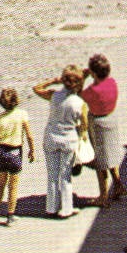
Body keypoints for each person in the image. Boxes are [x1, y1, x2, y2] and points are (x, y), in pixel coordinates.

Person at [33, 66, 89, 218]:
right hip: (68, 139)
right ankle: (66, 209)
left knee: (52, 175)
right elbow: (84, 126)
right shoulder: (80, 103)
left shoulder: (53, 95)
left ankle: (51, 207)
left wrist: (53, 80)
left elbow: (36, 88)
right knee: (65, 176)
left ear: (63, 80)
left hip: (51, 137)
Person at [82, 54, 125, 207]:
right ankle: (118, 184)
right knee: (111, 155)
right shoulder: (112, 83)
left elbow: (80, 95)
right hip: (111, 119)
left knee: (100, 161)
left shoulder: (93, 90)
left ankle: (103, 196)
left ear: (93, 73)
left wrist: (83, 77)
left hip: (98, 123)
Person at [0, 87, 35, 225]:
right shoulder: (22, 114)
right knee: (13, 185)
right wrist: (32, 150)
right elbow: (29, 135)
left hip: (2, 151)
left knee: (1, 182)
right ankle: (10, 215)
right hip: (15, 151)